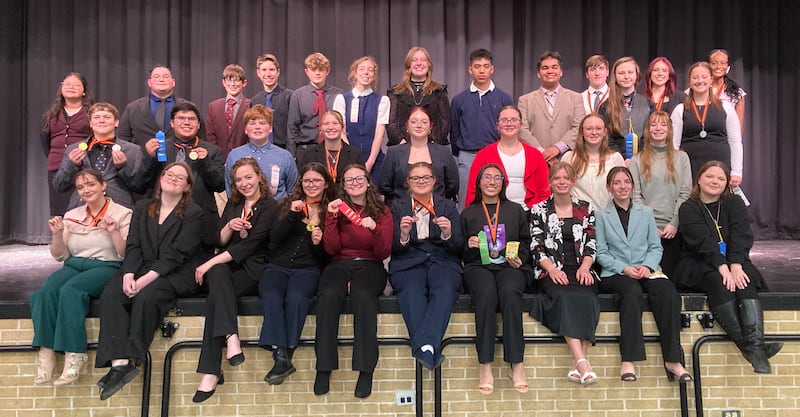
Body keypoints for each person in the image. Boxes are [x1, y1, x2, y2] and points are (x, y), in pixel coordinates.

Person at [94, 162, 204, 400]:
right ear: (162, 177)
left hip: (175, 273)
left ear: (187, 187)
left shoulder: (194, 213)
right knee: (112, 294)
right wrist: (128, 275)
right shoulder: (143, 207)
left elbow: (177, 254)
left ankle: (134, 355)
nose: (173, 179)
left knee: (146, 296)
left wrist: (144, 281)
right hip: (141, 267)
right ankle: (120, 363)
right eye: (169, 174)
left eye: (180, 178)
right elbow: (133, 245)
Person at [675, 161, 782, 373]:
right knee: (718, 281)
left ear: (727, 184)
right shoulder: (688, 207)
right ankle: (752, 347)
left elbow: (742, 236)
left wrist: (735, 264)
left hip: (734, 259)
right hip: (698, 261)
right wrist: (722, 267)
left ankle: (753, 344)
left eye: (720, 178)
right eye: (709, 176)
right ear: (699, 179)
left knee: (745, 278)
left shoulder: (735, 203)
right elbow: (702, 242)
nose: (714, 181)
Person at [30, 169, 131, 386]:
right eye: (81, 187)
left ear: (103, 185)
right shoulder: (72, 215)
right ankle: (46, 353)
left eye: (91, 184)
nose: (86, 190)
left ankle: (75, 355)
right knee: (43, 293)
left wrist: (113, 231)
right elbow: (60, 255)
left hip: (106, 265)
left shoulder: (122, 213)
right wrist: (57, 234)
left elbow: (124, 253)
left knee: (71, 291)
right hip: (75, 264)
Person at [192, 157, 278, 403]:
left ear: (259, 176)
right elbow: (219, 241)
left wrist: (207, 263)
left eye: (248, 177)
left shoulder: (271, 206)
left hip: (255, 269)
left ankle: (211, 370)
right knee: (218, 280)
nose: (244, 183)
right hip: (229, 268)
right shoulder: (233, 203)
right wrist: (229, 225)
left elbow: (249, 247)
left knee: (215, 292)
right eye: (239, 180)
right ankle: (231, 338)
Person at [595, 166, 690, 382]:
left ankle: (673, 359)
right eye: (617, 183)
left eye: (626, 181)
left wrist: (647, 266)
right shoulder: (601, 216)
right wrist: (624, 268)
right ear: (609, 187)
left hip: (646, 268)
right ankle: (629, 360)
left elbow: (655, 247)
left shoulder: (645, 212)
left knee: (667, 292)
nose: (622, 186)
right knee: (631, 293)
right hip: (616, 272)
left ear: (632, 185)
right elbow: (601, 252)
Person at [315, 164, 392, 399]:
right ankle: (324, 367)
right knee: (328, 296)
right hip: (339, 263)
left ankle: (366, 368)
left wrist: (376, 229)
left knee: (362, 296)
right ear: (343, 185)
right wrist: (329, 217)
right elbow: (331, 248)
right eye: (349, 180)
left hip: (370, 264)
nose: (355, 183)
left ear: (368, 181)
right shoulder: (337, 209)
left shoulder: (382, 212)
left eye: (359, 178)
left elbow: (383, 252)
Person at [259, 162, 335, 385]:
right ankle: (282, 355)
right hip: (278, 266)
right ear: (300, 183)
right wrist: (292, 215)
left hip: (308, 268)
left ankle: (283, 355)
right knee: (271, 295)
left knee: (297, 298)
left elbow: (326, 255)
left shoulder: (330, 210)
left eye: (317, 181)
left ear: (325, 184)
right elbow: (275, 238)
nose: (311, 185)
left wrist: (318, 244)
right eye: (307, 180)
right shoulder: (287, 204)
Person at [461, 164, 532, 395]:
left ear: (503, 183)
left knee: (510, 294)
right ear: (479, 182)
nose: (492, 182)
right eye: (487, 177)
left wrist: (519, 259)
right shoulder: (469, 212)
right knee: (486, 294)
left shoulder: (516, 210)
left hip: (510, 267)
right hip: (478, 267)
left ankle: (517, 362)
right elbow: (458, 250)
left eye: (497, 178)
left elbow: (525, 240)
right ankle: (485, 363)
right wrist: (468, 246)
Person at [529, 162, 600, 386]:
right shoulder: (538, 209)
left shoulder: (585, 208)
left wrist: (585, 267)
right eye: (557, 178)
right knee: (564, 296)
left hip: (580, 267)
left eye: (565, 178)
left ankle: (577, 365)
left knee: (588, 297)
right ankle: (582, 361)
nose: (561, 182)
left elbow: (591, 245)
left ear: (573, 181)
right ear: (550, 182)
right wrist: (551, 269)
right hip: (551, 268)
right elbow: (536, 246)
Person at [389, 162, 462, 370]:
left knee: (445, 289)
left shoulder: (447, 206)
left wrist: (447, 234)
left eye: (426, 178)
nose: (421, 182)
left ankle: (424, 346)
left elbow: (458, 246)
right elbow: (391, 247)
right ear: (408, 183)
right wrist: (403, 235)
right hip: (408, 261)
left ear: (434, 181)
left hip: (442, 259)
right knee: (411, 291)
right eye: (415, 178)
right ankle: (429, 346)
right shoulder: (397, 207)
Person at [142, 102, 225, 258]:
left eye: (192, 119)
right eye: (181, 118)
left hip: (201, 222)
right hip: (163, 218)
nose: (186, 122)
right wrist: (148, 158)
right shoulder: (159, 147)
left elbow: (219, 185)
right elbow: (141, 183)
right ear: (172, 123)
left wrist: (206, 162)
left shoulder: (212, 151)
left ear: (199, 125)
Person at [629, 111, 691, 277]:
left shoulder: (682, 158)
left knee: (672, 279)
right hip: (647, 231)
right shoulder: (637, 160)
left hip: (675, 230)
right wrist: (648, 225)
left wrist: (674, 223)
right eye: (653, 124)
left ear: (670, 130)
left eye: (663, 124)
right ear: (647, 130)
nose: (658, 128)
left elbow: (685, 193)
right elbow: (635, 195)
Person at [450, 48, 513, 207]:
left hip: (495, 155)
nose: (482, 70)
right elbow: (455, 131)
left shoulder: (504, 98)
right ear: (470, 70)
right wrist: (462, 152)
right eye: (477, 66)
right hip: (468, 155)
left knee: (497, 197)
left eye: (486, 66)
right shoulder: (459, 100)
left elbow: (508, 128)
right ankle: (464, 232)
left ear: (492, 69)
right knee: (465, 199)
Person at [52, 102, 145, 210]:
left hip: (119, 210)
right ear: (90, 123)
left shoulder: (132, 150)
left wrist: (123, 167)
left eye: (107, 117)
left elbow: (140, 187)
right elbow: (59, 185)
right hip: (81, 209)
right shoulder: (74, 149)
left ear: (116, 122)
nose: (101, 120)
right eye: (96, 117)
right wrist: (72, 165)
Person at [465, 106, 550, 211]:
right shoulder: (484, 155)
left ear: (520, 125)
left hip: (529, 213)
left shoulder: (535, 155)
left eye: (514, 120)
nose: (509, 124)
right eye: (504, 120)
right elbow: (473, 190)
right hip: (493, 213)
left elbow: (544, 192)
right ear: (497, 125)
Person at [671, 62, 743, 186]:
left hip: (720, 167)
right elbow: (674, 145)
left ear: (711, 80)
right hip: (689, 169)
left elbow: (735, 141)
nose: (700, 81)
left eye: (704, 77)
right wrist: (674, 170)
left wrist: (737, 171)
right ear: (690, 81)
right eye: (695, 77)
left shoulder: (725, 107)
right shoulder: (680, 110)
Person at [378, 106, 458, 206]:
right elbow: (384, 186)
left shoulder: (444, 153)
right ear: (407, 126)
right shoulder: (393, 153)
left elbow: (452, 187)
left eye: (424, 122)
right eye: (414, 122)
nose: (419, 125)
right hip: (401, 211)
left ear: (430, 127)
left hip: (437, 211)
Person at [41, 72, 95, 216]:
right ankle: (60, 238)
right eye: (67, 84)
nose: (71, 87)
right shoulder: (51, 114)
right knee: (59, 212)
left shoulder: (92, 113)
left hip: (84, 167)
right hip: (57, 167)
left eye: (76, 84)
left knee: (83, 210)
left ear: (84, 91)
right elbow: (45, 142)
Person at [518, 51, 585, 165]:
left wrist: (558, 148)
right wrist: (542, 152)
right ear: (538, 73)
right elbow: (522, 130)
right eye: (545, 68)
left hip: (567, 159)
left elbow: (579, 127)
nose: (550, 71)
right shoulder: (525, 100)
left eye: (554, 67)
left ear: (561, 72)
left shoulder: (576, 98)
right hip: (535, 160)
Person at [332, 56, 390, 176]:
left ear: (374, 75)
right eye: (362, 69)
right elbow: (341, 132)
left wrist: (370, 163)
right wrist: (352, 159)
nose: (366, 72)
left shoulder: (382, 100)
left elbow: (379, 134)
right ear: (355, 73)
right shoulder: (342, 99)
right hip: (347, 158)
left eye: (370, 70)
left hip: (374, 159)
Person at [225, 105, 297, 199]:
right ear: (246, 129)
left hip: (278, 210)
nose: (257, 127)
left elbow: (293, 190)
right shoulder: (234, 155)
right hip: (245, 210)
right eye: (252, 123)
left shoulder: (285, 156)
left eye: (262, 123)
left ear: (270, 128)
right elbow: (230, 189)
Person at [117, 66, 198, 146]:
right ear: (149, 82)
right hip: (142, 157)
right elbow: (122, 138)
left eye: (166, 77)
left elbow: (200, 136)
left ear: (173, 82)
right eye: (157, 77)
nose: (161, 80)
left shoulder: (189, 107)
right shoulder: (133, 108)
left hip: (179, 157)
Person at [387, 46, 450, 146]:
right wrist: (402, 143)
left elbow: (445, 123)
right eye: (414, 60)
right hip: (402, 147)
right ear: (408, 65)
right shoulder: (395, 92)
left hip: (432, 147)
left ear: (429, 65)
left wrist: (433, 144)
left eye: (423, 60)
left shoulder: (439, 91)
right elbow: (391, 122)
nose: (419, 63)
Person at [561, 114, 625, 209]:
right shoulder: (569, 158)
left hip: (608, 217)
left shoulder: (615, 158)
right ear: (582, 132)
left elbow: (624, 190)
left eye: (598, 128)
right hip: (579, 218)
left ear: (605, 132)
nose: (594, 132)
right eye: (589, 129)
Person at [287, 52, 343, 158]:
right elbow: (292, 128)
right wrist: (292, 155)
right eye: (313, 70)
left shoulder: (337, 94)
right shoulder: (298, 95)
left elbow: (342, 124)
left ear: (328, 71)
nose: (317, 73)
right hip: (305, 149)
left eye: (321, 69)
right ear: (307, 72)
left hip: (332, 148)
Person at [598, 57, 653, 159]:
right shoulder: (605, 107)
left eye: (630, 72)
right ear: (615, 76)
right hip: (616, 159)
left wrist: (641, 158)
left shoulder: (648, 104)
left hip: (645, 158)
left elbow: (653, 134)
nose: (626, 76)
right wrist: (621, 158)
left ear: (637, 75)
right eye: (621, 73)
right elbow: (606, 138)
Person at [296, 110, 365, 183]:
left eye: (335, 123)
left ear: (342, 127)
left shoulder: (355, 154)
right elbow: (302, 183)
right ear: (321, 128)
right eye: (326, 124)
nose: (330, 127)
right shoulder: (309, 155)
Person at [205, 64, 251, 158]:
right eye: (229, 80)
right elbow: (210, 136)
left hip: (244, 159)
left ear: (244, 83)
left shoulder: (251, 106)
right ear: (224, 82)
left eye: (237, 80)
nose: (233, 84)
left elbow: (251, 136)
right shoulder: (213, 106)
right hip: (218, 160)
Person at [251, 54, 293, 150]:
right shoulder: (255, 101)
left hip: (283, 149)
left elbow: (293, 128)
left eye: (272, 70)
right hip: (260, 149)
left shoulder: (289, 96)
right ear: (258, 73)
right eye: (264, 70)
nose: (268, 74)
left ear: (278, 72)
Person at [709, 49, 746, 133]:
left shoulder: (737, 93)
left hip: (725, 140)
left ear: (728, 67)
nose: (718, 66)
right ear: (708, 65)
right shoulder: (698, 90)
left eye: (722, 63)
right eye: (714, 63)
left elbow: (738, 128)